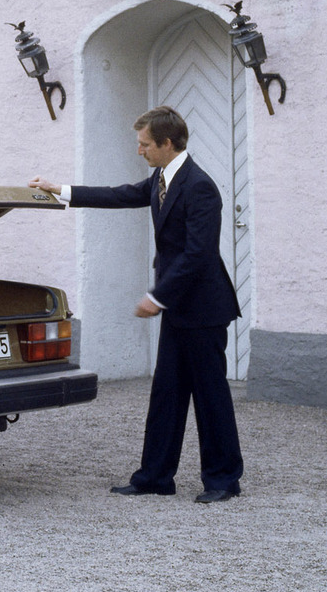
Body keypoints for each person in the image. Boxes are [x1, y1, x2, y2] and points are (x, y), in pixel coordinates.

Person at [30, 105, 243, 503]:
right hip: (178, 308)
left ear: (166, 143)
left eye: (145, 144)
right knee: (167, 394)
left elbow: (198, 255)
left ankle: (223, 480)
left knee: (210, 396)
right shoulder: (160, 179)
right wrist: (61, 190)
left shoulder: (200, 186)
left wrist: (157, 297)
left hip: (204, 310)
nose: (139, 150)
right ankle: (155, 477)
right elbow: (119, 195)